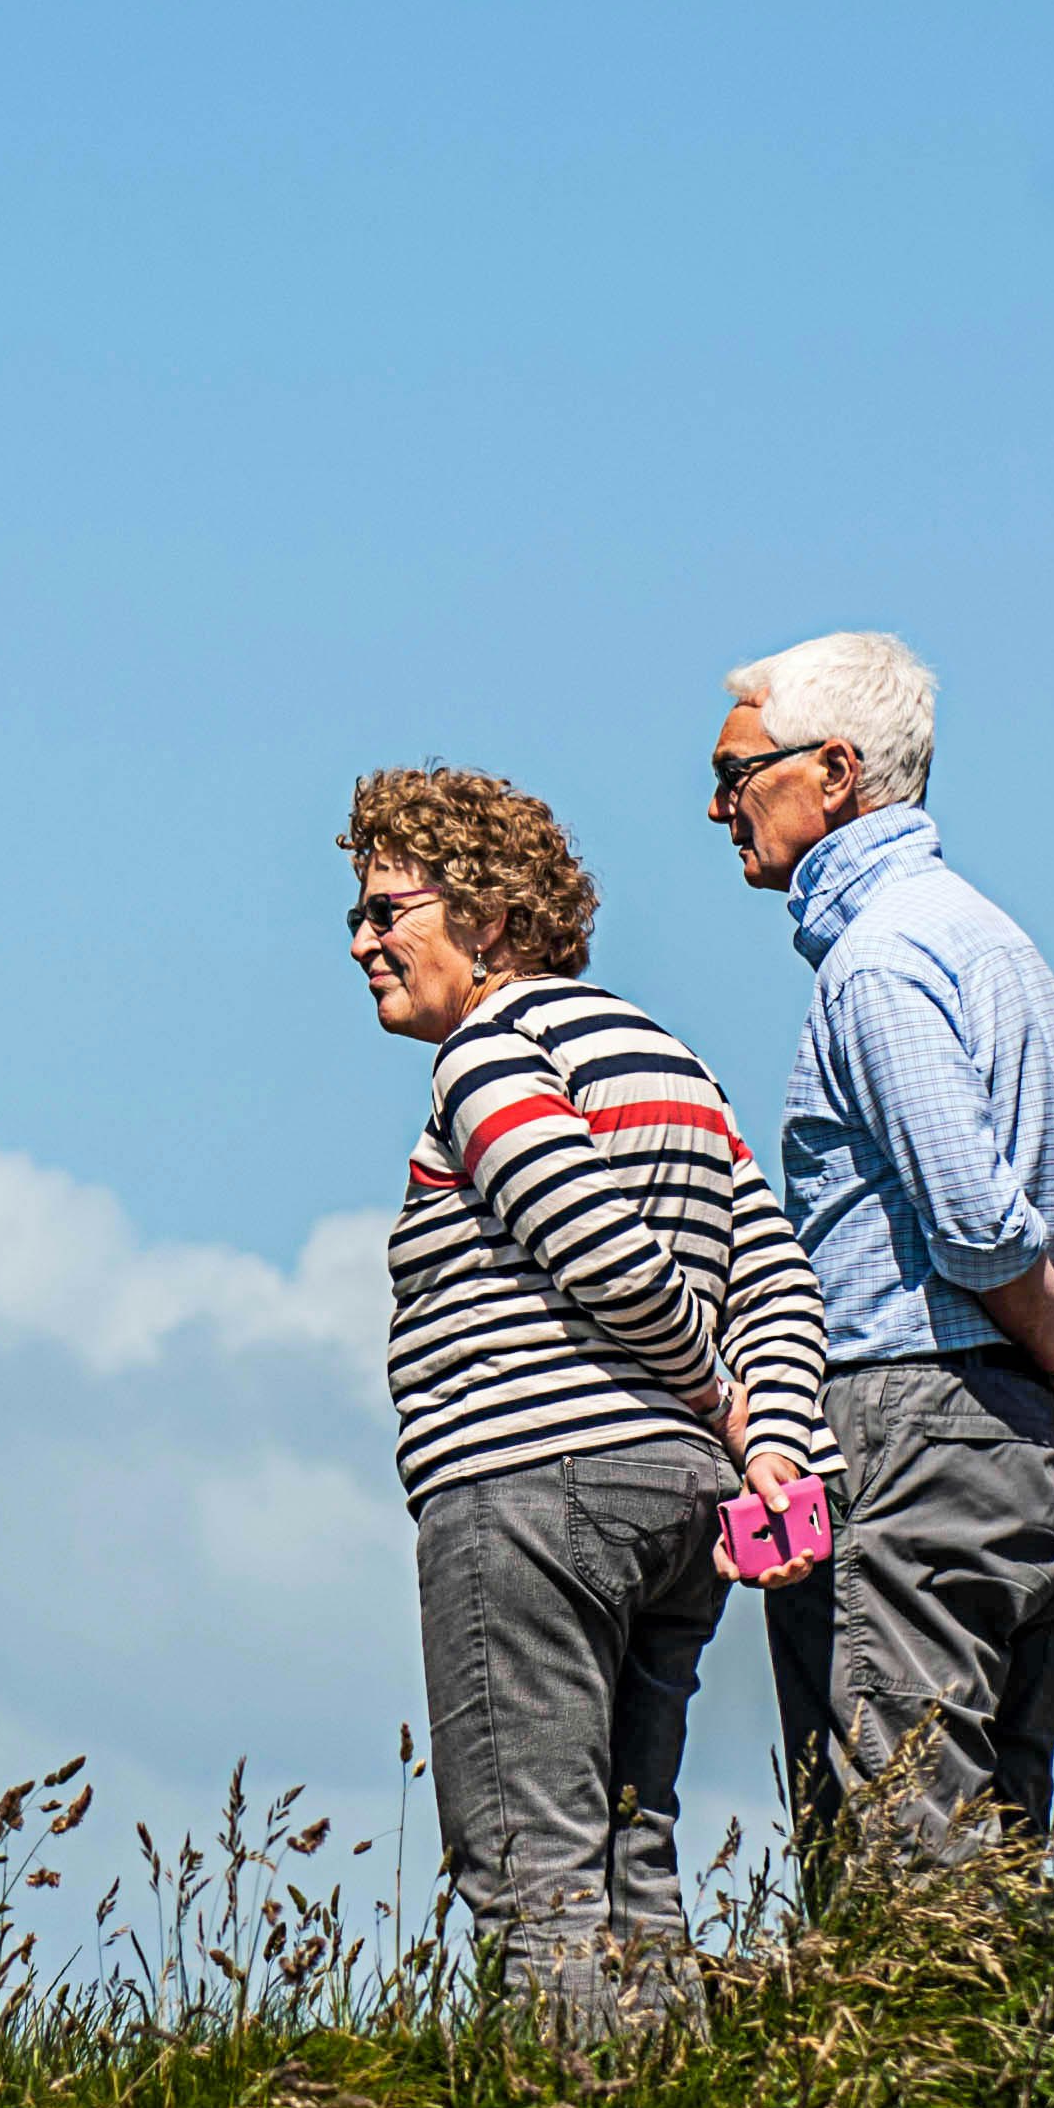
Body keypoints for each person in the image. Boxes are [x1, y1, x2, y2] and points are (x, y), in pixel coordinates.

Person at [343, 763, 828, 2037]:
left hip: (523, 1493)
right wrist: (771, 1446)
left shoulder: (487, 1058)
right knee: (634, 1854)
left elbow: (593, 1245)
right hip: (677, 1514)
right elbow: (774, 1270)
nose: (362, 943)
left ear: (489, 919)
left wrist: (727, 1404)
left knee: (532, 1875)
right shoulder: (671, 1061)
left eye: (387, 910)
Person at [705, 631, 1054, 1879]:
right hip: (1025, 1445)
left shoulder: (875, 965)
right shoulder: (999, 946)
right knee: (994, 1846)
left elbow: (976, 1221)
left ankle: (910, 2076)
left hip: (915, 1415)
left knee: (896, 1851)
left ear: (836, 771)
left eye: (736, 774)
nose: (716, 808)